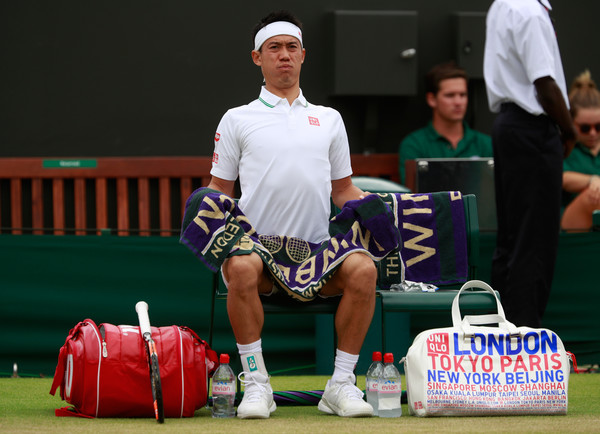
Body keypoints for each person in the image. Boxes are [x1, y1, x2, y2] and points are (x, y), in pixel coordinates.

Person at [207, 10, 377, 419]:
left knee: (364, 270)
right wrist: (208, 219)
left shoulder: (330, 120)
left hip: (318, 256)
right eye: (274, 48)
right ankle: (257, 384)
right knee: (242, 267)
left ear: (303, 55)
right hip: (259, 252)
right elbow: (219, 192)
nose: (284, 56)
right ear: (257, 58)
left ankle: (340, 385)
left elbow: (343, 190)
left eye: (291, 48)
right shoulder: (236, 119)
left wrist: (374, 207)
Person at [483, 0, 576, 328]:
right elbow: (545, 84)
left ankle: (502, 334)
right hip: (532, 127)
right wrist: (569, 130)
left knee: (512, 239)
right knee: (533, 241)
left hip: (511, 125)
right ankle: (524, 340)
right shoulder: (530, 11)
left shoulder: (503, 6)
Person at [398, 61, 492, 184]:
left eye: (463, 95)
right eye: (450, 95)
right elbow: (411, 194)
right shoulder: (414, 145)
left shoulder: (485, 144)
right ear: (432, 99)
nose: (458, 102)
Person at [561, 70, 600, 231]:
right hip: (570, 225)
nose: (593, 133)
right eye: (585, 128)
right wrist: (593, 181)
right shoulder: (565, 148)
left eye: (598, 127)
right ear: (572, 123)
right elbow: (561, 177)